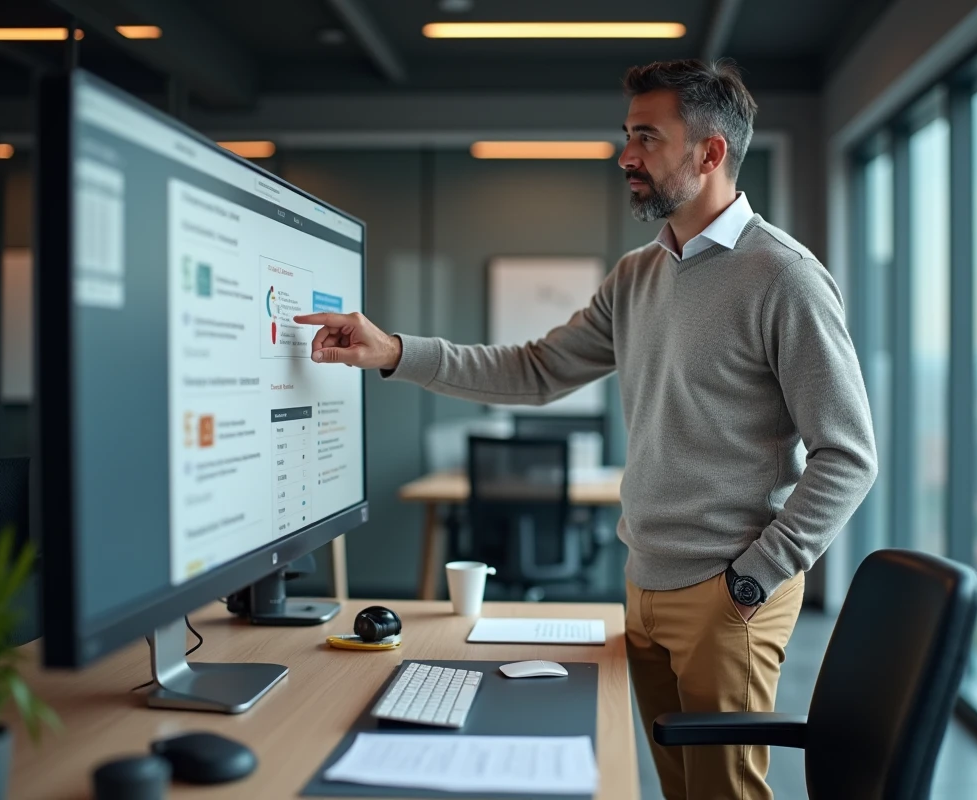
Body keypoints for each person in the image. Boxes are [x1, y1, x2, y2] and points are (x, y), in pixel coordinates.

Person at [295, 59, 877, 800]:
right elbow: (535, 370)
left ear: (710, 153)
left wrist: (757, 575)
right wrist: (395, 351)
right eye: (626, 136)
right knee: (676, 787)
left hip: (729, 595)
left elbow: (848, 455)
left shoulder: (783, 276)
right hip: (643, 580)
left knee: (724, 793)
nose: (626, 156)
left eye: (646, 137)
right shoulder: (638, 275)